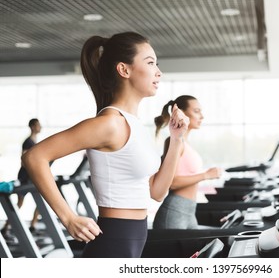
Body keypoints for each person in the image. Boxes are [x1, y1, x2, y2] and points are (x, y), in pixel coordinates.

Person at [22, 32, 189, 258]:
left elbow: (157, 192)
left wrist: (177, 140)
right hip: (114, 240)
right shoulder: (110, 123)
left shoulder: (135, 125)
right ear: (124, 70)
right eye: (150, 63)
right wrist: (68, 217)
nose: (158, 72)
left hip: (135, 237)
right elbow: (34, 157)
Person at [153, 95, 222, 229]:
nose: (202, 116)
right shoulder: (174, 142)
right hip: (175, 210)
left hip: (189, 211)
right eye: (196, 111)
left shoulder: (186, 143)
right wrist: (206, 175)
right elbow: (171, 183)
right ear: (182, 113)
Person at [1, 118, 42, 238]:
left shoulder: (34, 141)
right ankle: (6, 227)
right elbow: (24, 160)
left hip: (32, 176)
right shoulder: (28, 142)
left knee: (40, 202)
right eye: (38, 125)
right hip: (25, 176)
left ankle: (33, 225)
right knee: (19, 204)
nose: (40, 127)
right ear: (33, 126)